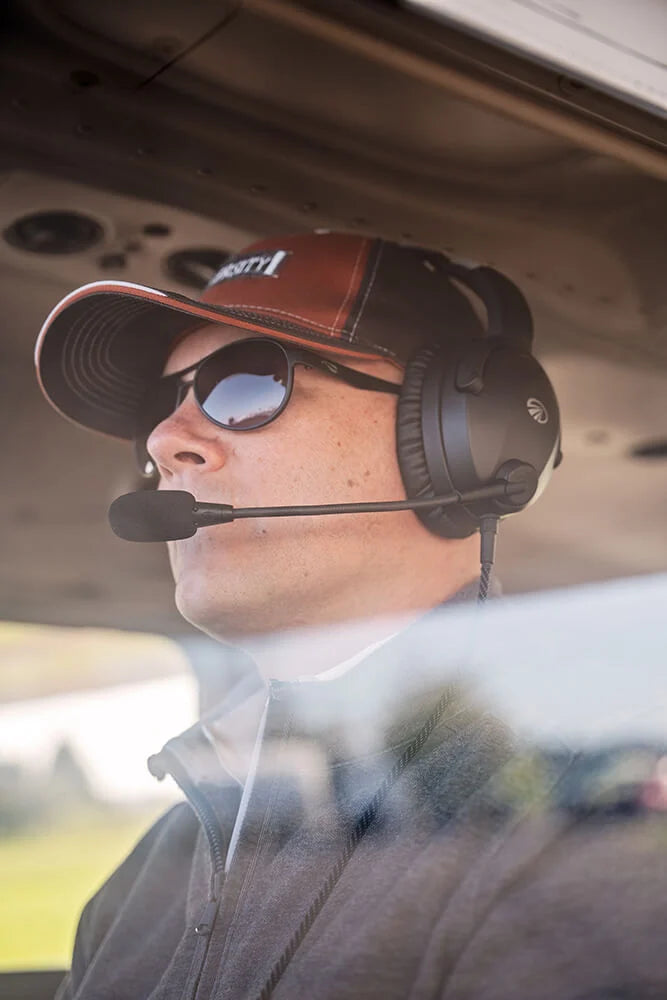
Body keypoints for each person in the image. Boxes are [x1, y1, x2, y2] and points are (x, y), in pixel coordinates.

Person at [35, 231, 665, 999]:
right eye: (162, 407)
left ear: (457, 434)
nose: (167, 441)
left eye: (246, 384)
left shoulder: (586, 826)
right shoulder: (141, 887)